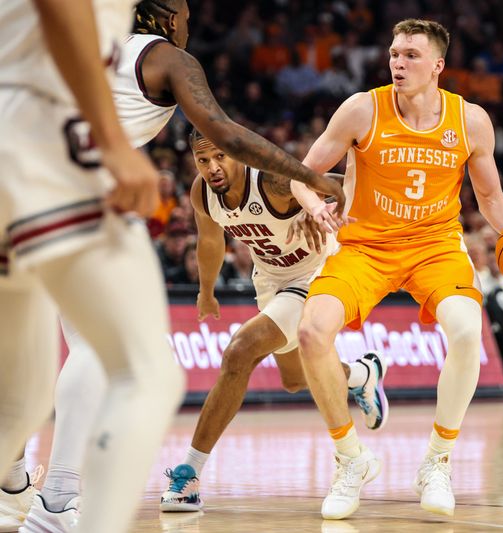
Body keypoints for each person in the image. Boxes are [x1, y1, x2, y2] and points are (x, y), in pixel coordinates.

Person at [5, 0, 348, 530]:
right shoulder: (167, 58)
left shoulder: (58, 40)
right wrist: (315, 177)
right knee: (125, 361)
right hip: (58, 182)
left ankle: (10, 481)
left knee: (23, 354)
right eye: (185, 11)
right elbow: (228, 132)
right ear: (166, 16)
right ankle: (57, 504)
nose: (189, 22)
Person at [291, 19, 503, 519]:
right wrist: (314, 205)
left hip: (435, 245)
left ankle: (437, 461)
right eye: (395, 53)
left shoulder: (471, 120)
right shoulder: (361, 108)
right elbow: (301, 176)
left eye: (412, 55)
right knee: (311, 333)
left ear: (438, 65)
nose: (398, 62)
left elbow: (491, 199)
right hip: (365, 246)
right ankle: (351, 460)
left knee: (466, 333)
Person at [0, 0, 186, 532]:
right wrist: (111, 141)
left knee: (21, 393)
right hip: (39, 134)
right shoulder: (162, 56)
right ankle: (58, 509)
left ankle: (22, 494)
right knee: (143, 369)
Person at [158, 131, 387, 512]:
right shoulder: (203, 193)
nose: (213, 167)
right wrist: (206, 291)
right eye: (203, 161)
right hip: (271, 279)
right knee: (295, 380)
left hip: (316, 273)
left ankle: (189, 475)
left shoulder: (269, 181)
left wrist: (322, 207)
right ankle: (362, 375)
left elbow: (333, 183)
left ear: (236, 151)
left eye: (220, 156)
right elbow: (211, 241)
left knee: (239, 352)